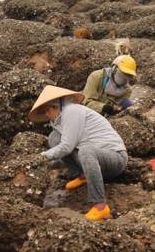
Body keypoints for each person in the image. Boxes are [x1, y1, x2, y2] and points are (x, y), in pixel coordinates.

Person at [29, 85, 128, 221]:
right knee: (54, 137)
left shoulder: (72, 111)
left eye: (47, 110)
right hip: (95, 161)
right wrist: (45, 165)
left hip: (115, 158)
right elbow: (65, 154)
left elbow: (67, 147)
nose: (46, 114)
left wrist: (40, 158)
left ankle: (100, 205)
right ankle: (82, 175)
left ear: (57, 105)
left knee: (85, 150)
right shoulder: (62, 119)